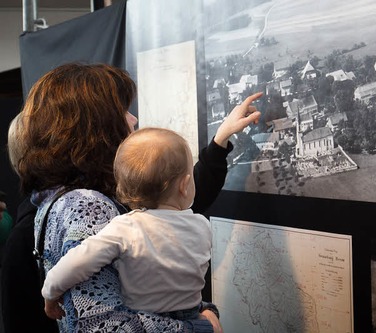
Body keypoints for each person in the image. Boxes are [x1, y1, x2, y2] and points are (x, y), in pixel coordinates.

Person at [4, 62, 262, 332]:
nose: (133, 119)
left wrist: (220, 141)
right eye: (121, 110)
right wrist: (202, 327)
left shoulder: (61, 200)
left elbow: (172, 203)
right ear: (95, 127)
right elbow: (105, 324)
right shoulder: (87, 207)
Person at [42, 127, 217, 322]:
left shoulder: (126, 228)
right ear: (185, 186)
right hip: (192, 318)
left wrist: (50, 293)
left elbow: (76, 262)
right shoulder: (202, 226)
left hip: (146, 321)